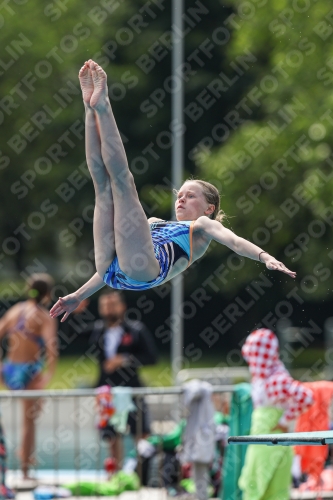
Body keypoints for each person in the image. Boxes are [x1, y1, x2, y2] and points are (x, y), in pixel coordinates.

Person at [50, 60, 296, 322]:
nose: (181, 199)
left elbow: (234, 242)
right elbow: (114, 261)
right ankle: (90, 107)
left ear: (209, 208)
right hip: (112, 272)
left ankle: (104, 103)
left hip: (144, 271)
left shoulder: (202, 226)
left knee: (123, 182)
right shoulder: (155, 223)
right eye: (180, 195)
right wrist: (78, 295)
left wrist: (265, 256)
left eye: (190, 196)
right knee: (102, 185)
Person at [238, 328, 314, 500]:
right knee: (258, 484)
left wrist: (285, 420)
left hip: (273, 443)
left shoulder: (275, 379)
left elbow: (306, 397)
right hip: (262, 441)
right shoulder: (264, 377)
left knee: (268, 487)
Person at [90, 289, 158, 470]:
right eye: (105, 306)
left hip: (132, 388)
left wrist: (124, 359)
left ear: (122, 307)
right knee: (111, 434)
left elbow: (151, 358)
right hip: (108, 390)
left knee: (140, 431)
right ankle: (116, 474)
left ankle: (141, 472)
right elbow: (72, 334)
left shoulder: (136, 329)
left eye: (112, 305)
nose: (108, 310)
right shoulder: (98, 331)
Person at [0, 274, 58, 479]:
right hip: (29, 371)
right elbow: (52, 349)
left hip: (8, 369)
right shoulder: (43, 317)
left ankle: (19, 460)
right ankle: (25, 470)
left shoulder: (14, 311)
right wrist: (48, 375)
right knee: (29, 422)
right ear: (48, 294)